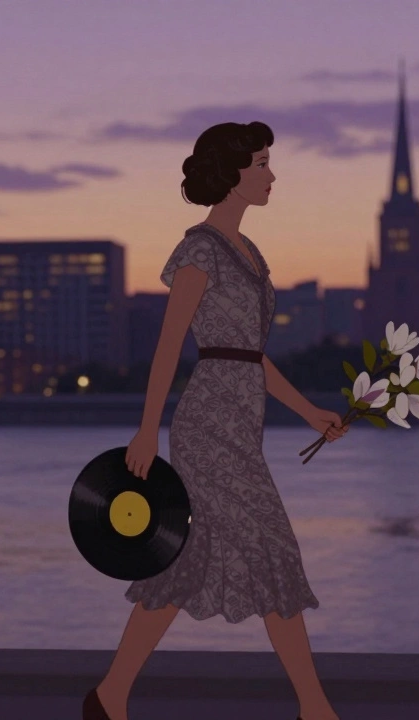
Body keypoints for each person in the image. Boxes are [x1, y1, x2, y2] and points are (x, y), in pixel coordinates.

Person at [82, 121, 349, 720]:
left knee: (185, 562)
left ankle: (110, 696)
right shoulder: (200, 250)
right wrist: (148, 429)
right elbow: (170, 342)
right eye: (260, 163)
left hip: (243, 420)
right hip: (208, 426)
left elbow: (253, 358)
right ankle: (315, 708)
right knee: (272, 548)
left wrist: (310, 413)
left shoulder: (252, 254)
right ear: (230, 175)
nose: (271, 175)